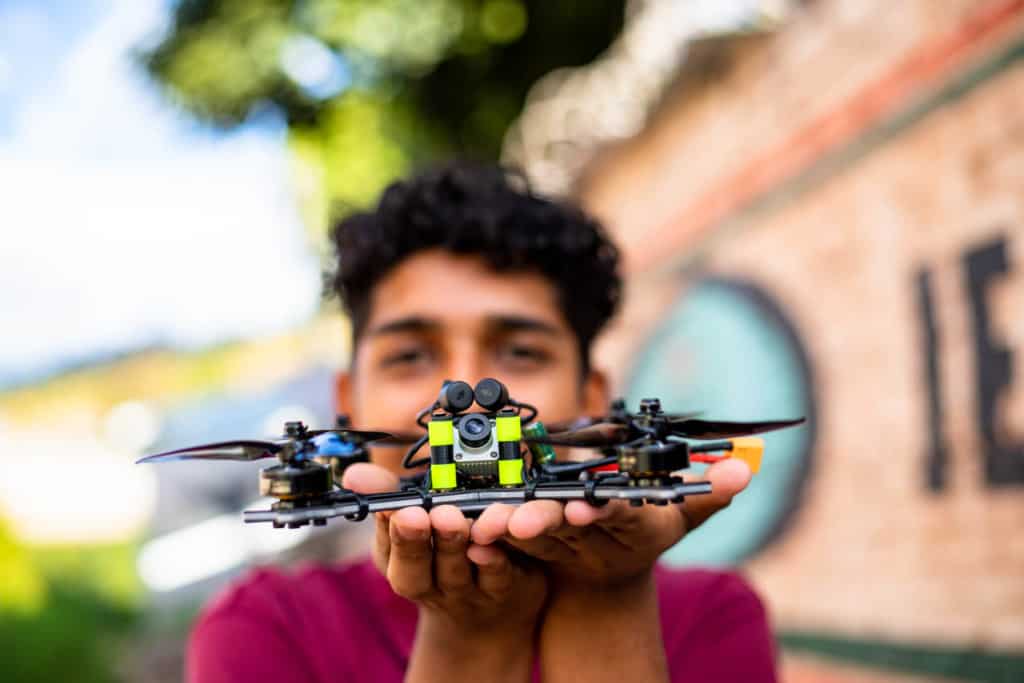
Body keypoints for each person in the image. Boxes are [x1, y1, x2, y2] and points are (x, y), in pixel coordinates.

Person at [186, 162, 777, 682]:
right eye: (410, 355)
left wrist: (606, 592)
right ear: (349, 399)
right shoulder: (267, 629)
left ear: (592, 396)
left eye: (520, 352)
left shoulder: (712, 615)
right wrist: (469, 633)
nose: (462, 397)